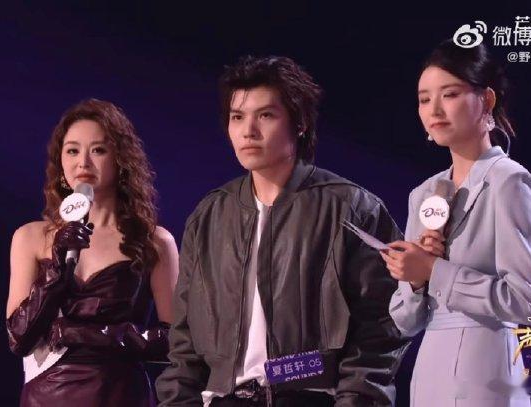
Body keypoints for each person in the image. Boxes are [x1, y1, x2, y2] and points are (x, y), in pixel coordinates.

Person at [156, 56, 409, 406]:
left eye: (265, 115)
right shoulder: (210, 216)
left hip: (311, 397)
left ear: (300, 123)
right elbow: (184, 340)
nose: (248, 131)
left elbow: (381, 326)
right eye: (237, 117)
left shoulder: (350, 208)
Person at [384, 40, 531, 406]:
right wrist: (414, 280)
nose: (434, 109)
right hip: (429, 373)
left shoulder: (509, 181)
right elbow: (405, 321)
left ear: (486, 100)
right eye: (424, 99)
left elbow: (526, 299)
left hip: (486, 370)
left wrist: (434, 270)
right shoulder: (423, 194)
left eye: (450, 94)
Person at [6, 98, 179, 406]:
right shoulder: (30, 237)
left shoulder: (155, 241)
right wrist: (58, 267)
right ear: (60, 161)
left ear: (121, 160)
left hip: (119, 395)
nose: (83, 162)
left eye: (98, 150)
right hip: (46, 397)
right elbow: (19, 339)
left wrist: (95, 335)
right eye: (72, 151)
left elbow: (178, 340)